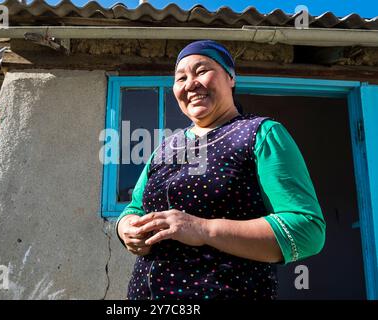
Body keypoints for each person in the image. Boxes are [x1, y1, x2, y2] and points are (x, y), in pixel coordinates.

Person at [116, 40, 326, 300]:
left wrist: (203, 229)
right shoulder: (165, 147)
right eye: (181, 77)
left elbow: (306, 230)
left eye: (202, 71)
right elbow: (135, 207)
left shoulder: (260, 134)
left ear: (231, 78)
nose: (191, 83)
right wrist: (125, 228)